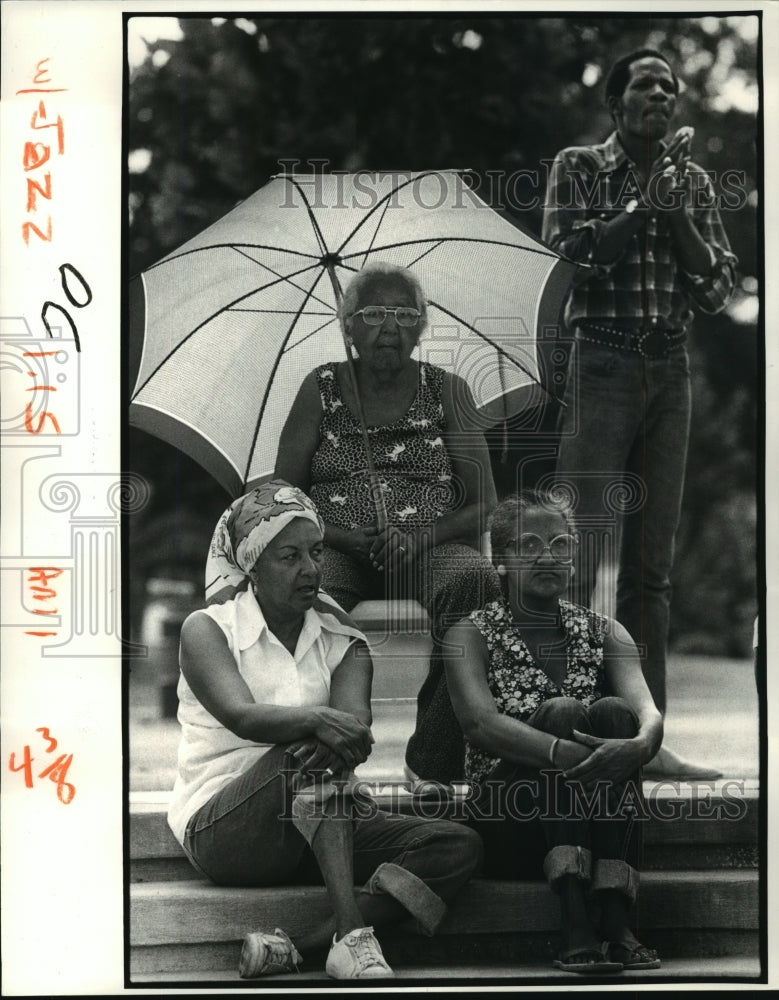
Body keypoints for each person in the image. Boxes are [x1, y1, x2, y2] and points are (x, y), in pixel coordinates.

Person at [168, 480, 483, 980]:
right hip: (226, 829)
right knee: (304, 754)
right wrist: (318, 722)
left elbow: (355, 732)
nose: (311, 569)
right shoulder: (208, 629)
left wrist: (334, 732)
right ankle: (354, 938)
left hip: (320, 828)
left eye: (316, 552)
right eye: (289, 556)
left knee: (455, 845)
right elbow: (242, 716)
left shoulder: (345, 642)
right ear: (251, 563)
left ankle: (302, 946)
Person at [542, 49, 737, 780]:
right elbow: (567, 256)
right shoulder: (579, 165)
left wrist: (674, 210)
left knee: (650, 571)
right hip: (601, 361)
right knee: (577, 554)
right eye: (645, 84)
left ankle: (646, 742)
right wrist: (638, 207)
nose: (661, 93)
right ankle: (566, 728)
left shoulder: (692, 181)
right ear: (616, 102)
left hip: (671, 367)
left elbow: (716, 286)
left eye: (669, 86)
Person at [271, 261, 502, 781]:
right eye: (373, 313)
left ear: (421, 326)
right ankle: (320, 755)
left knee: (474, 582)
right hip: (335, 545)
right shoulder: (321, 387)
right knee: (308, 588)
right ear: (348, 325)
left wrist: (420, 538)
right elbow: (281, 496)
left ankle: (436, 761)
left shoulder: (448, 389)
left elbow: (485, 501)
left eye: (404, 312)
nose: (390, 326)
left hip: (432, 545)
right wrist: (345, 537)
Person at [443, 490, 663, 974]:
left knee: (614, 714)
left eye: (560, 544)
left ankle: (615, 913)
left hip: (593, 818)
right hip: (510, 821)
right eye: (529, 545)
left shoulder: (605, 632)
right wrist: (563, 751)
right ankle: (574, 918)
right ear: (499, 559)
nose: (547, 556)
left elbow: (648, 714)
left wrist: (640, 745)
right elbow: (479, 725)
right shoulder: (470, 634)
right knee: (563, 711)